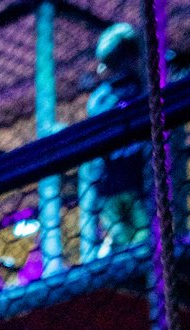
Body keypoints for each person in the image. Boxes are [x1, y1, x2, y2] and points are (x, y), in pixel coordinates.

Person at [87, 23, 149, 254]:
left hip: (113, 185)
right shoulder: (144, 88)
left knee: (129, 241)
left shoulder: (99, 99)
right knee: (143, 242)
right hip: (136, 182)